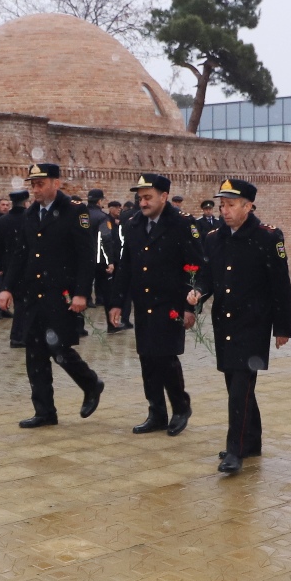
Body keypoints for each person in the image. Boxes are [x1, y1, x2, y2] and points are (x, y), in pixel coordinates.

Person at [192, 178, 291, 474]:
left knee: (240, 387)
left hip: (254, 324)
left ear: (248, 206)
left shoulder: (267, 237)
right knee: (236, 385)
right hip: (224, 322)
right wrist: (198, 293)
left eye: (231, 205)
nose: (224, 210)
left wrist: (282, 327)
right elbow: (207, 276)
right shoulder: (214, 238)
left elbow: (280, 285)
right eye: (222, 205)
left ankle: (235, 450)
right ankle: (252, 440)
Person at [0, 162, 104, 426]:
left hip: (60, 294)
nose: (35, 189)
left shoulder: (74, 211)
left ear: (56, 184)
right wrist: (7, 287)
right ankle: (44, 411)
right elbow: (21, 254)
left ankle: (91, 383)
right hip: (33, 295)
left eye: (40, 184)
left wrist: (82, 293)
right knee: (34, 352)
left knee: (58, 348)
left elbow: (86, 256)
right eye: (33, 185)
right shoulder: (31, 213)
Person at [116, 174, 201, 437]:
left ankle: (180, 407)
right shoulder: (133, 224)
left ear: (164, 196)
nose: (143, 203)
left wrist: (190, 307)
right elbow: (126, 265)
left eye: (148, 197)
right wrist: (117, 303)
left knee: (166, 357)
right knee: (147, 358)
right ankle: (156, 412)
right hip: (144, 302)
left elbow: (195, 266)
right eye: (140, 198)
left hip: (171, 302)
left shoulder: (182, 224)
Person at [0, 190, 31, 347]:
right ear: (26, 202)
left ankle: (18, 335)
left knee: (18, 301)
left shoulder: (3, 220)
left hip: (9, 265)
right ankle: (20, 336)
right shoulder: (30, 217)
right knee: (24, 303)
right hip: (27, 265)